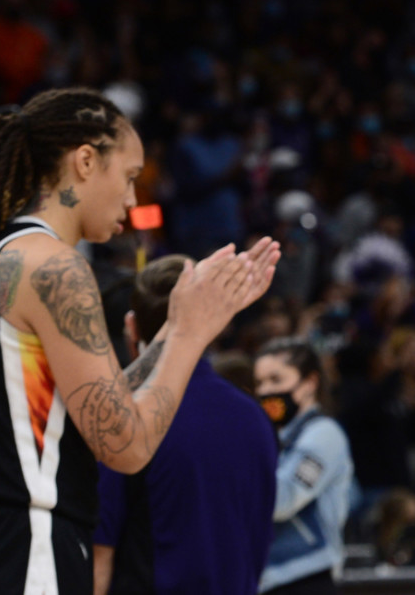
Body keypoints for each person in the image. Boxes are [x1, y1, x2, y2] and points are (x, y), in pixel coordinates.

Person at [0, 87, 280, 594]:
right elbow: (124, 446)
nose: (133, 198)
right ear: (85, 162)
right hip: (23, 544)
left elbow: (76, 409)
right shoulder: (56, 267)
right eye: (128, 177)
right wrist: (194, 335)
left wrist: (173, 329)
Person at [92, 254, 279, 595]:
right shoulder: (255, 417)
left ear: (131, 326)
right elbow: (260, 540)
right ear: (215, 322)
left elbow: (100, 555)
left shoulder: (126, 416)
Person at [254, 338, 353, 595]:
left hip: (307, 577)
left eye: (276, 380)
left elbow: (282, 499)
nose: (265, 391)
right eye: (259, 383)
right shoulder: (274, 436)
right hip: (270, 579)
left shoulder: (323, 434)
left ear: (310, 383)